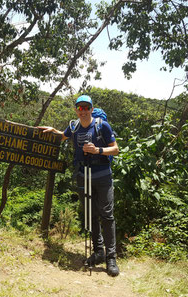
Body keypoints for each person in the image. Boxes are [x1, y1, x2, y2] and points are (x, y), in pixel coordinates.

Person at [38, 95, 120, 277]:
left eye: (86, 107)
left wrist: (97, 150)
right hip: (84, 176)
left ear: (91, 108)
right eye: (80, 108)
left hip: (103, 175)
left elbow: (115, 149)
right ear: (76, 109)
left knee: (107, 215)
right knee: (91, 215)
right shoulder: (74, 126)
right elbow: (63, 137)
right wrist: (54, 131)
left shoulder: (102, 126)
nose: (83, 111)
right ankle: (99, 252)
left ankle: (111, 258)